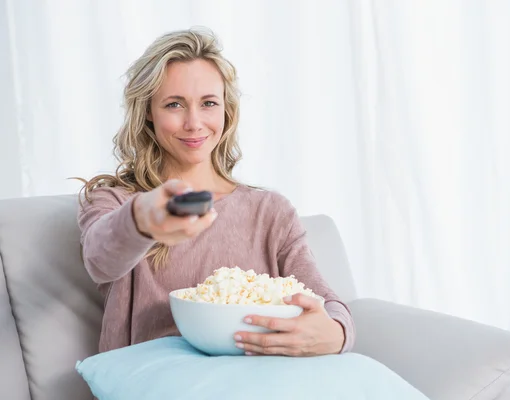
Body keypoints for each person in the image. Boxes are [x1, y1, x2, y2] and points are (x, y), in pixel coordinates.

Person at [77, 28, 355, 357]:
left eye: (208, 103)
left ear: (227, 111)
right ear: (148, 111)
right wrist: (143, 218)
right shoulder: (116, 201)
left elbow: (326, 302)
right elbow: (100, 259)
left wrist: (336, 333)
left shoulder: (270, 212)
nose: (194, 123)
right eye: (174, 104)